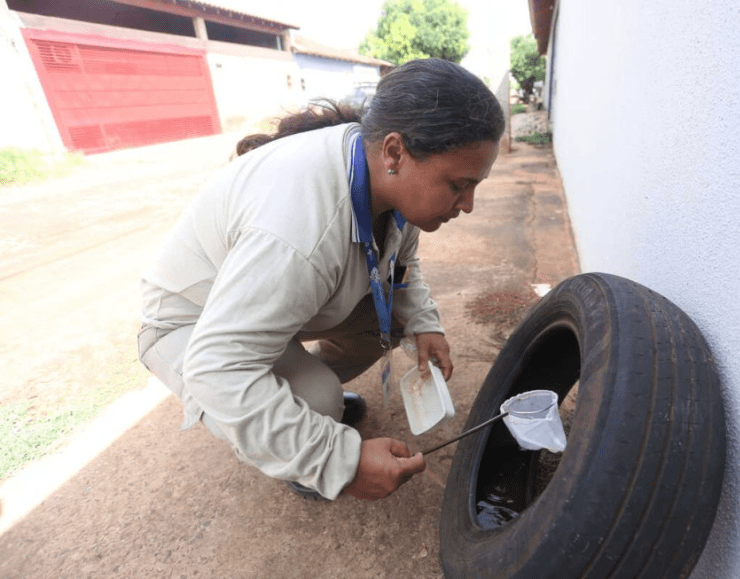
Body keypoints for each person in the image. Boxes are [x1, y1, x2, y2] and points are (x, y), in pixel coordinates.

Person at [137, 58, 505, 501]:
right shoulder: (299, 231)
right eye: (457, 186)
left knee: (383, 327)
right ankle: (300, 425)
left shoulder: (385, 180)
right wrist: (334, 461)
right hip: (191, 324)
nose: (467, 205)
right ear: (394, 152)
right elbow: (217, 367)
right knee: (317, 397)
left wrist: (423, 322)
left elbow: (401, 265)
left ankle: (290, 413)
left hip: (267, 296)